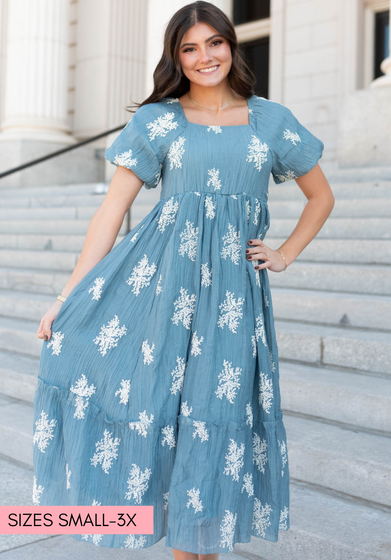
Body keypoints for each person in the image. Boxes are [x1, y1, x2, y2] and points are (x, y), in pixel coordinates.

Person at [33, 2, 334, 558]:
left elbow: (321, 196)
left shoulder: (271, 120)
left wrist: (285, 253)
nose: (204, 57)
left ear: (231, 44)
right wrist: (67, 297)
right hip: (161, 292)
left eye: (213, 43)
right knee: (159, 415)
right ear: (176, 56)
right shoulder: (158, 121)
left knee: (215, 422)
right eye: (189, 48)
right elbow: (110, 215)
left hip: (232, 305)